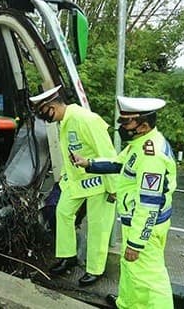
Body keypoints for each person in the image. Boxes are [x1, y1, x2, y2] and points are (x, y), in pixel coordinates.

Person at [72, 96, 176, 309]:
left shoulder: (151, 156)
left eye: (126, 122)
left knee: (151, 279)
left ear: (144, 125)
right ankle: (126, 304)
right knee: (130, 269)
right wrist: (88, 163)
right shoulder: (139, 144)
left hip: (146, 226)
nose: (121, 126)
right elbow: (118, 164)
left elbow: (150, 204)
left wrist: (137, 243)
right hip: (134, 221)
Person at [29, 85, 116, 286]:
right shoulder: (64, 122)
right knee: (62, 213)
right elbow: (69, 154)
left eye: (43, 112)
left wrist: (113, 188)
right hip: (76, 182)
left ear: (52, 106)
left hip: (99, 181)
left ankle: (95, 269)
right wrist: (64, 178)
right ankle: (68, 256)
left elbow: (108, 153)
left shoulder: (86, 120)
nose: (44, 118)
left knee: (97, 226)